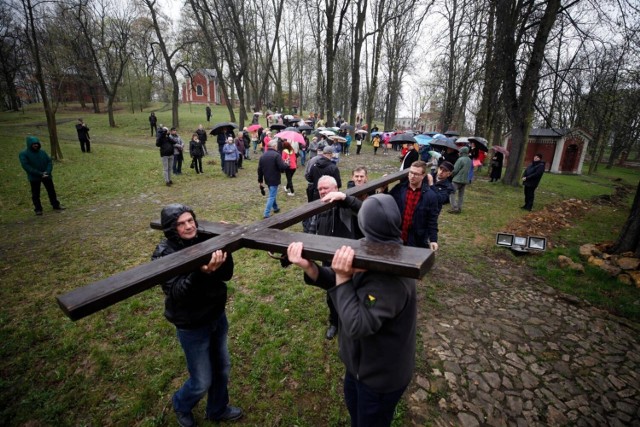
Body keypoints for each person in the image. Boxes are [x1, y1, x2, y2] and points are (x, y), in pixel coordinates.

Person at [286, 193, 416, 427]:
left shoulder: (391, 276)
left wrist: (343, 278)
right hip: (358, 368)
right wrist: (310, 268)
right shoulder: (375, 248)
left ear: (365, 224)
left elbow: (357, 324)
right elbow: (344, 282)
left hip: (380, 378)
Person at [151, 204, 243, 427]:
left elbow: (227, 275)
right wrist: (202, 273)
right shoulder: (164, 254)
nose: (189, 226)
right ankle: (181, 404)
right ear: (172, 229)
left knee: (222, 368)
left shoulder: (204, 238)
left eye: (190, 220)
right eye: (181, 224)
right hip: (192, 325)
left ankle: (217, 409)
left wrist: (225, 244)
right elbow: (178, 293)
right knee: (202, 380)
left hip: (215, 316)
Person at [311, 175, 364, 340]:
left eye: (325, 188)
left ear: (335, 188)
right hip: (327, 259)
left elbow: (364, 210)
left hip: (349, 259)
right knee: (331, 292)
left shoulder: (347, 204)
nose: (322, 192)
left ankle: (353, 321)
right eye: (319, 189)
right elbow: (311, 231)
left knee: (353, 291)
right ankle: (334, 322)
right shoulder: (318, 207)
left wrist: (345, 198)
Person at [388, 160, 439, 251]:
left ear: (423, 176)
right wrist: (384, 188)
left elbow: (432, 220)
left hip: (417, 239)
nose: (412, 176)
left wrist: (433, 240)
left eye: (416, 174)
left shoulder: (430, 196)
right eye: (411, 173)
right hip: (397, 237)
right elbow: (387, 202)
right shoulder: (399, 189)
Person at [19, 136, 65, 216]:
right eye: (33, 144)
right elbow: (26, 166)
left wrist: (47, 172)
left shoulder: (42, 152)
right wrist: (39, 173)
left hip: (46, 175)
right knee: (36, 193)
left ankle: (55, 205)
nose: (35, 145)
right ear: (30, 144)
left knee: (51, 191)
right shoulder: (24, 154)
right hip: (34, 177)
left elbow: (49, 162)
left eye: (36, 144)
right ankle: (38, 209)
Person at [257, 140, 289, 218]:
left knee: (272, 193)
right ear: (274, 146)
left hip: (267, 178)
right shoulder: (277, 155)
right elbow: (282, 167)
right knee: (271, 196)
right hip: (274, 178)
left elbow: (259, 170)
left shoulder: (263, 156)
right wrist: (286, 164)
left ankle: (275, 208)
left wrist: (260, 181)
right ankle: (266, 213)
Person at [448, 146, 472, 214]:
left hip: (457, 180)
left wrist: (451, 175)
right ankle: (459, 207)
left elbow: (455, 170)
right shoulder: (469, 160)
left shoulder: (460, 159)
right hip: (465, 180)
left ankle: (454, 208)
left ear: (462, 152)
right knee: (461, 195)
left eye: (460, 151)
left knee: (451, 192)